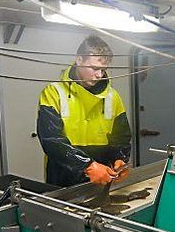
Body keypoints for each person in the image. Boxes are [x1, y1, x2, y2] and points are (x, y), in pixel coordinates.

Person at [37, 35, 132, 187]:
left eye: (103, 70)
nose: (99, 75)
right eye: (94, 68)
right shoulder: (53, 93)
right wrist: (87, 166)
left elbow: (121, 138)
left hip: (103, 178)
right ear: (79, 60)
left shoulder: (112, 97)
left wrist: (120, 160)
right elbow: (52, 140)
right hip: (62, 179)